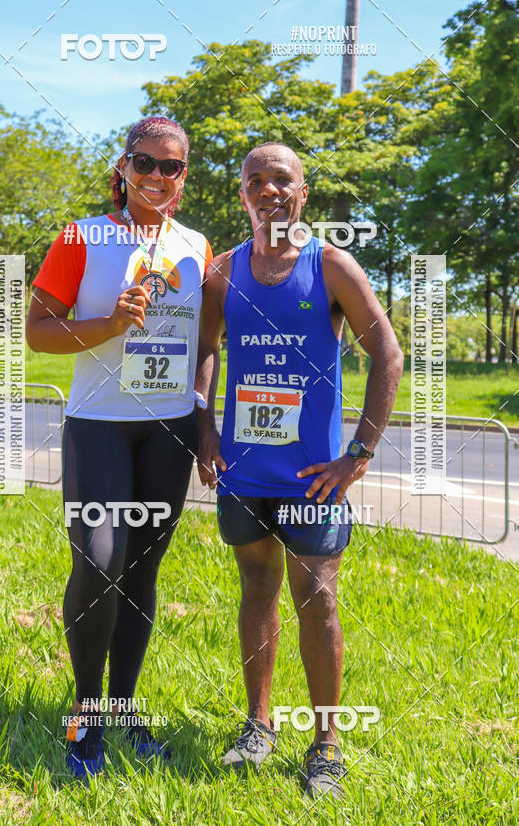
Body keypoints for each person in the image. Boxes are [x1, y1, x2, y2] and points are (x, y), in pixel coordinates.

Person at [195, 141, 403, 799]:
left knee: (317, 597)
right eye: (255, 179)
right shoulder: (225, 272)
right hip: (244, 473)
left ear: (301, 192)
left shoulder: (332, 266)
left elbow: (388, 355)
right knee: (256, 587)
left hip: (314, 477)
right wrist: (205, 430)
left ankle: (327, 746)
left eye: (281, 178)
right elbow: (205, 351)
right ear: (243, 194)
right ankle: (258, 726)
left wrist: (359, 454)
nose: (268, 189)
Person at [26, 116, 212, 778]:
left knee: (140, 575)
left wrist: (201, 412)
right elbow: (37, 331)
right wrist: (107, 324)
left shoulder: (196, 246)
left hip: (168, 429)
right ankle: (84, 715)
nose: (158, 176)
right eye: (145, 163)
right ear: (124, 166)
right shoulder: (83, 236)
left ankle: (125, 712)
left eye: (172, 166)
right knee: (101, 560)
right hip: (99, 424)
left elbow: (204, 344)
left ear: (184, 176)